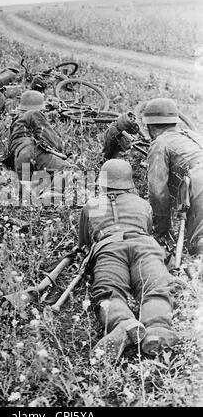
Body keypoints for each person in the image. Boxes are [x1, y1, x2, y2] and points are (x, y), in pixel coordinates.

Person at [78, 159, 178, 361]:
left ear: (102, 183)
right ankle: (157, 327)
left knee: (108, 292)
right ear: (129, 183)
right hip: (145, 245)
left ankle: (123, 323)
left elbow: (84, 242)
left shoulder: (91, 205)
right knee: (156, 287)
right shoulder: (142, 204)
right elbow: (148, 229)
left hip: (109, 248)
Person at [144, 98, 203, 255]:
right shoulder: (192, 134)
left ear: (150, 126)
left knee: (197, 249)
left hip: (199, 184)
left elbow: (157, 193)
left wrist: (161, 230)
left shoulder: (159, 144)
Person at [7, 90, 72, 180]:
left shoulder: (17, 118)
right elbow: (51, 140)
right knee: (69, 171)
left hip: (19, 157)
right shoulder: (34, 113)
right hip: (32, 153)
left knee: (29, 188)